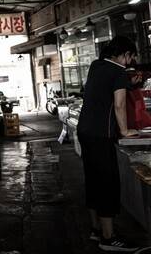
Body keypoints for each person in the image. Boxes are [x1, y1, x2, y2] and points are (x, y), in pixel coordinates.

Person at [77, 35, 140, 252]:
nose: (130, 62)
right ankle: (108, 238)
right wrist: (125, 131)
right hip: (101, 134)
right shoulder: (119, 72)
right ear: (125, 54)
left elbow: (103, 91)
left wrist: (129, 83)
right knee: (106, 184)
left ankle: (96, 230)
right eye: (131, 57)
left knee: (93, 180)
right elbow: (119, 105)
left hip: (85, 131)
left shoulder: (96, 65)